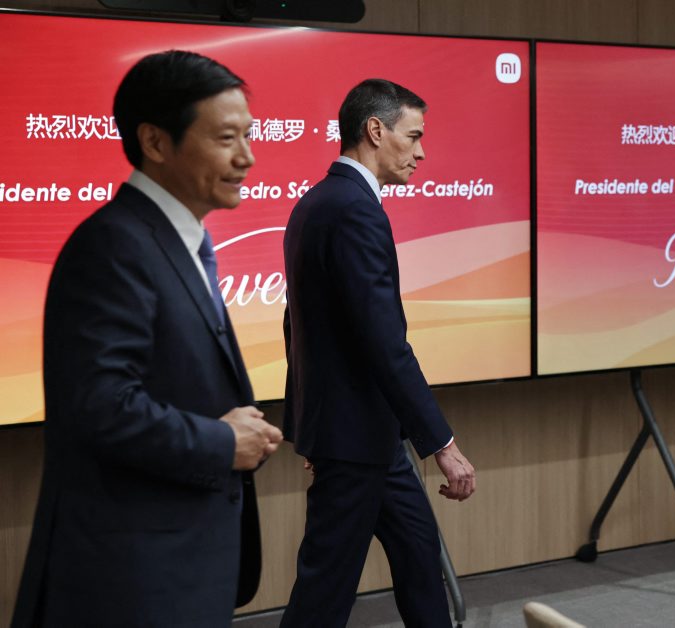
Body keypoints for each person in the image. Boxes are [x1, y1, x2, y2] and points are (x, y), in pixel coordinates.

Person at [11, 50, 283, 628]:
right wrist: (221, 442)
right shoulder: (114, 245)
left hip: (180, 564)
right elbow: (100, 407)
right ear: (156, 142)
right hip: (130, 581)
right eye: (226, 138)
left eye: (249, 135)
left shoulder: (178, 240)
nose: (247, 157)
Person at [281, 78, 476, 627]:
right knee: (324, 591)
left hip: (368, 434)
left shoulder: (317, 202)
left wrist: (311, 424)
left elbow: (297, 324)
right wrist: (442, 444)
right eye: (413, 136)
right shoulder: (353, 209)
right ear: (374, 130)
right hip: (353, 441)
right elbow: (384, 343)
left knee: (419, 554)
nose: (421, 152)